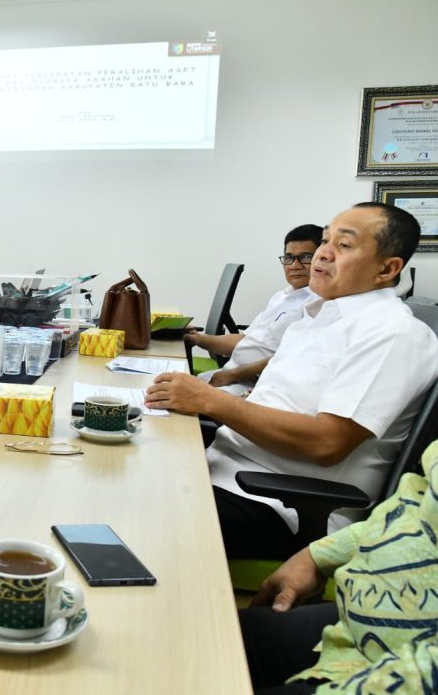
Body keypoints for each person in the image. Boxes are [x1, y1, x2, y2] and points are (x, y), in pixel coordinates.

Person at [146, 203, 438, 559]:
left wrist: (212, 400)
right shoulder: (317, 317)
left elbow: (327, 443)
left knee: (125, 507)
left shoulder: (392, 333)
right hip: (226, 471)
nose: (323, 254)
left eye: (344, 246)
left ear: (387, 268)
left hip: (280, 504)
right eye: (325, 240)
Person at [238, 440, 438, 694]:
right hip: (354, 631)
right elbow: (412, 505)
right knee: (207, 641)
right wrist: (317, 556)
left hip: (408, 678)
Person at [188, 224, 322, 395]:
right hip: (231, 376)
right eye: (288, 258)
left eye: (305, 257)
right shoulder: (281, 297)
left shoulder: (318, 305)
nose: (294, 266)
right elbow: (246, 339)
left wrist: (233, 375)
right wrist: (198, 339)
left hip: (256, 386)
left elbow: (290, 359)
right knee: (161, 385)